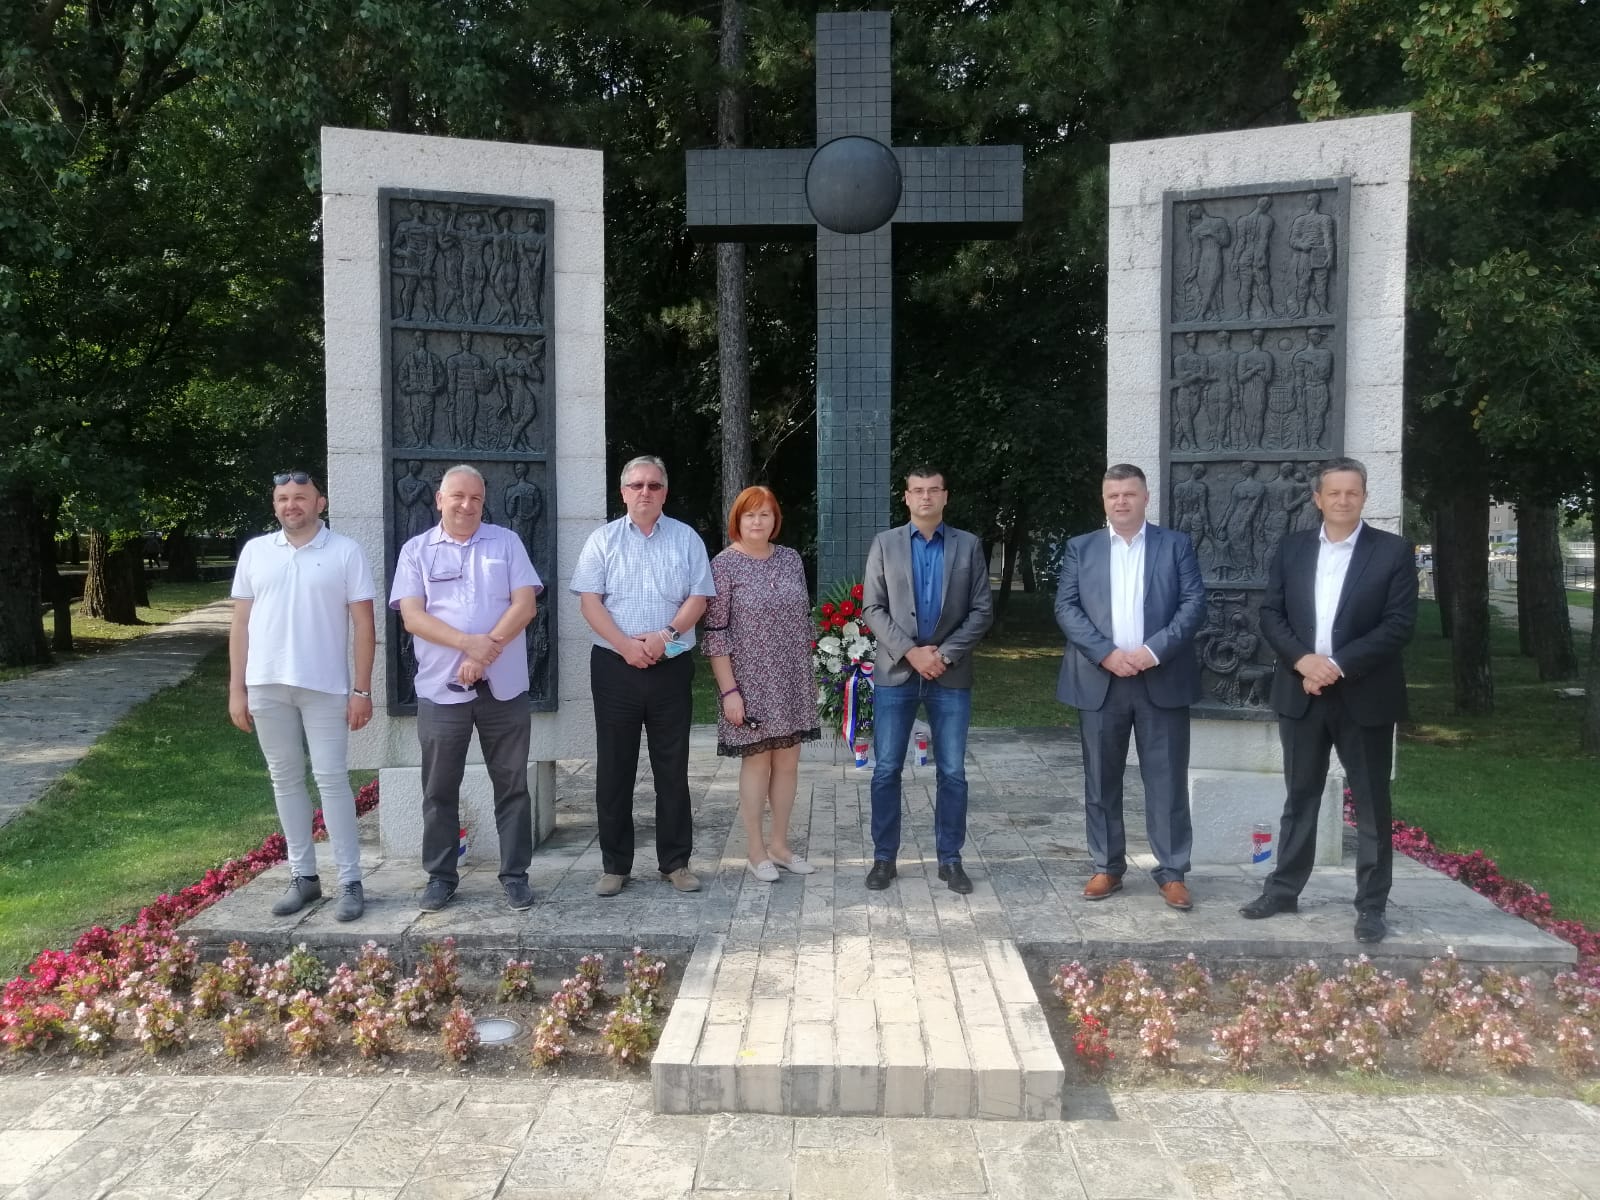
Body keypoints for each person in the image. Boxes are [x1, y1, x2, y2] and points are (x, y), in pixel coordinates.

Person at [1241, 457, 1418, 943]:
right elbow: (1271, 614)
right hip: (1302, 693)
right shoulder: (1292, 549)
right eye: (1334, 493)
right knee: (1300, 797)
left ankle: (1371, 906)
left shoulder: (1393, 552)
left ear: (1364, 497)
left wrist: (1335, 665)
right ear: (1317, 498)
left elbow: (1399, 624)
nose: (1343, 500)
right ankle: (1283, 890)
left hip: (1366, 695)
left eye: (1352, 492)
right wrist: (1304, 661)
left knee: (1372, 803)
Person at [390, 464, 542, 913]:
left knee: (512, 786)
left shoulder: (507, 543)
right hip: (441, 690)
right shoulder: (416, 551)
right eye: (457, 496)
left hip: (503, 689)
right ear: (440, 499)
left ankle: (515, 875)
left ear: (483, 501)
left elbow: (525, 606)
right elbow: (412, 617)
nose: (466, 504)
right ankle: (440, 876)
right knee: (439, 789)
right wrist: (465, 644)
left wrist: (483, 652)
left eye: (475, 497)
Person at [1056, 464, 1206, 910]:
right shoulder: (1081, 548)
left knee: (1167, 779)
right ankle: (1107, 866)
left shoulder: (1175, 545)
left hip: (1161, 676)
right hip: (1100, 680)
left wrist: (1153, 651)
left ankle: (1172, 872)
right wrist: (1106, 653)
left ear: (1145, 497)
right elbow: (1066, 607)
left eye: (1129, 494)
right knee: (1101, 780)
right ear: (1104, 501)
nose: (1121, 501)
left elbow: (1193, 603)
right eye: (1113, 495)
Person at [229, 471, 376, 922]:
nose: (291, 505)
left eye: (300, 497)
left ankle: (350, 881)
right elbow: (240, 624)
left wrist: (362, 689)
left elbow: (364, 625)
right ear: (275, 505)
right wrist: (236, 688)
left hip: (325, 686)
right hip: (266, 685)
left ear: (320, 503)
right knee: (285, 779)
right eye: (283, 498)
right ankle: (304, 877)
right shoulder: (255, 552)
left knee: (332, 780)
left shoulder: (345, 551)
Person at [572, 455, 715, 897]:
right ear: (624, 492)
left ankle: (676, 862)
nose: (645, 492)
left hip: (670, 664)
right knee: (615, 768)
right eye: (637, 485)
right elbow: (590, 602)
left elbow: (699, 597)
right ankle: (615, 865)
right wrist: (626, 645)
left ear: (665, 492)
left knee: (672, 768)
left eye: (654, 485)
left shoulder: (686, 539)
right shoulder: (602, 540)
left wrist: (665, 636)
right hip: (615, 667)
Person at [861, 467, 993, 894]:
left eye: (933, 490)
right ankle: (884, 859)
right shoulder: (885, 544)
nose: (925, 497)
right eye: (917, 490)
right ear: (906, 497)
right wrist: (911, 652)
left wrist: (945, 654)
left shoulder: (968, 545)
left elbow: (981, 610)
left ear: (945, 496)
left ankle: (950, 861)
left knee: (952, 772)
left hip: (949, 674)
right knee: (886, 770)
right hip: (897, 672)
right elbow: (873, 608)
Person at [703, 487, 821, 881]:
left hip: (791, 677)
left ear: (775, 520)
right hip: (748, 681)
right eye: (750, 514)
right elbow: (715, 633)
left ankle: (780, 846)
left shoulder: (790, 559)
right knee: (757, 762)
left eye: (765, 514)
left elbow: (802, 619)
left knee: (788, 762)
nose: (757, 521)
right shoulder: (724, 565)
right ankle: (755, 851)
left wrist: (810, 675)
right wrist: (729, 691)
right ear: (737, 520)